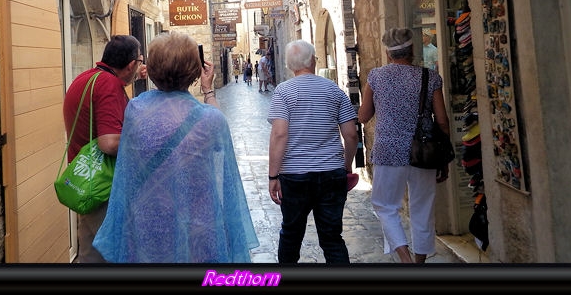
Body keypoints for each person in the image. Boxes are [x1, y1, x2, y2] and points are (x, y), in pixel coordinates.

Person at [93, 32, 258, 262]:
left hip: (149, 221)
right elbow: (219, 139)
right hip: (198, 222)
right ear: (194, 70)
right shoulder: (210, 120)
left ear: (151, 70)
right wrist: (208, 90)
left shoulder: (136, 110)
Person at [357, 27, 451, 263]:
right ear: (412, 51)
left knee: (385, 206)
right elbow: (442, 120)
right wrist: (445, 158)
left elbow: (363, 116)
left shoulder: (376, 77)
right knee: (423, 209)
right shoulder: (431, 78)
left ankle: (405, 260)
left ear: (389, 53)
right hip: (425, 151)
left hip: (388, 151)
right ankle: (418, 263)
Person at [267, 39, 358, 264]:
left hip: (294, 176)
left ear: (289, 65)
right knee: (332, 237)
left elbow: (279, 134)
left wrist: (273, 175)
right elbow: (351, 135)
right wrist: (346, 165)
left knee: (291, 235)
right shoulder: (334, 91)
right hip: (331, 173)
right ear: (313, 61)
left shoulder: (283, 92)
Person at [62, 34, 147, 263]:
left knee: (90, 251)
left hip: (86, 180)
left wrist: (135, 78)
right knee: (110, 254)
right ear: (130, 64)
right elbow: (109, 143)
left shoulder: (86, 78)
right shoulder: (109, 85)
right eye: (139, 61)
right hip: (104, 186)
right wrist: (145, 141)